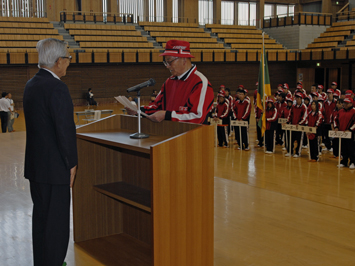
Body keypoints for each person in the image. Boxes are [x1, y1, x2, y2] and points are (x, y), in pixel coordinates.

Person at [23, 38, 78, 266]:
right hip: (55, 169)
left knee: (42, 221)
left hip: (36, 168)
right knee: (56, 225)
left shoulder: (31, 84)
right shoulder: (57, 87)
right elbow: (64, 130)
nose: (68, 63)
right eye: (67, 59)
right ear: (57, 61)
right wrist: (72, 164)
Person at [127, 40, 214, 124]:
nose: (167, 66)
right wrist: (138, 110)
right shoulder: (169, 82)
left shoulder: (200, 83)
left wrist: (167, 115)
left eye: (169, 61)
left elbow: (197, 117)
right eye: (166, 62)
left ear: (184, 60)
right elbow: (157, 106)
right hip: (170, 135)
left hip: (192, 137)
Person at [334, 97, 355, 169]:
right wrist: (336, 127)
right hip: (342, 133)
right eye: (344, 103)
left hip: (351, 134)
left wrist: (350, 129)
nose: (345, 104)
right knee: (343, 148)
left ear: (351, 104)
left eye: (347, 103)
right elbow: (335, 119)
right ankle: (344, 161)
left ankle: (353, 162)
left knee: (351, 148)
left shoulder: (354, 111)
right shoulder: (340, 111)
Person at [285, 92, 308, 158]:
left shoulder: (304, 107)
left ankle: (297, 152)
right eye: (296, 98)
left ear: (301, 99)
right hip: (293, 126)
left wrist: (300, 124)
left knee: (299, 140)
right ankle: (290, 152)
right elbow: (290, 115)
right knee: (291, 139)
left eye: (298, 98)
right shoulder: (293, 106)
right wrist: (287, 122)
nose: (297, 99)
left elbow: (304, 117)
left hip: (300, 127)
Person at [232, 86, 251, 150]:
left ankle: (246, 146)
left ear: (244, 95)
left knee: (244, 133)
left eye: (242, 94)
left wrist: (243, 118)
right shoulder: (237, 102)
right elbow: (233, 110)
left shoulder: (247, 102)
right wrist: (236, 118)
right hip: (237, 120)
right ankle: (240, 145)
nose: (240, 96)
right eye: (239, 94)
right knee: (237, 133)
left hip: (244, 121)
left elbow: (247, 111)